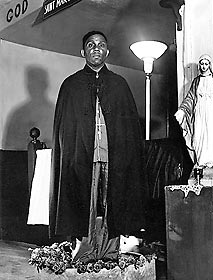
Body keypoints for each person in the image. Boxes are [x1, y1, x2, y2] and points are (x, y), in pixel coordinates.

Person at [49, 31, 147, 262]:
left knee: (112, 203)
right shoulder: (71, 85)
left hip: (115, 158)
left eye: (101, 45)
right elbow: (64, 129)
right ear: (83, 52)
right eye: (91, 45)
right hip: (82, 158)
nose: (96, 48)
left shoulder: (119, 84)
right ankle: (84, 252)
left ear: (107, 51)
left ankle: (110, 251)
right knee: (85, 204)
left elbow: (129, 128)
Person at [175, 54, 213, 181]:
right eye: (202, 64)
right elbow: (190, 99)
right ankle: (201, 163)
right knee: (199, 136)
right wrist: (182, 110)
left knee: (211, 136)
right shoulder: (196, 81)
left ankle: (212, 163)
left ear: (209, 65)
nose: (204, 66)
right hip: (199, 113)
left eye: (206, 64)